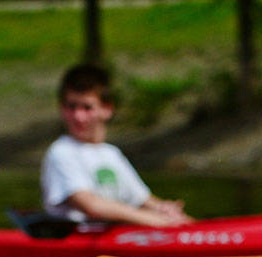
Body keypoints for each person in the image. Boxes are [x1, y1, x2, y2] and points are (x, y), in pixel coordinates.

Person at [41, 64, 192, 227]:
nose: (78, 117)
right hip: (75, 236)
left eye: (87, 107)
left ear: (107, 109)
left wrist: (164, 210)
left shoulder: (111, 154)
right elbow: (90, 205)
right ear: (62, 108)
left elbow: (142, 199)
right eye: (71, 106)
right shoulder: (61, 152)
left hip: (116, 233)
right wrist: (151, 219)